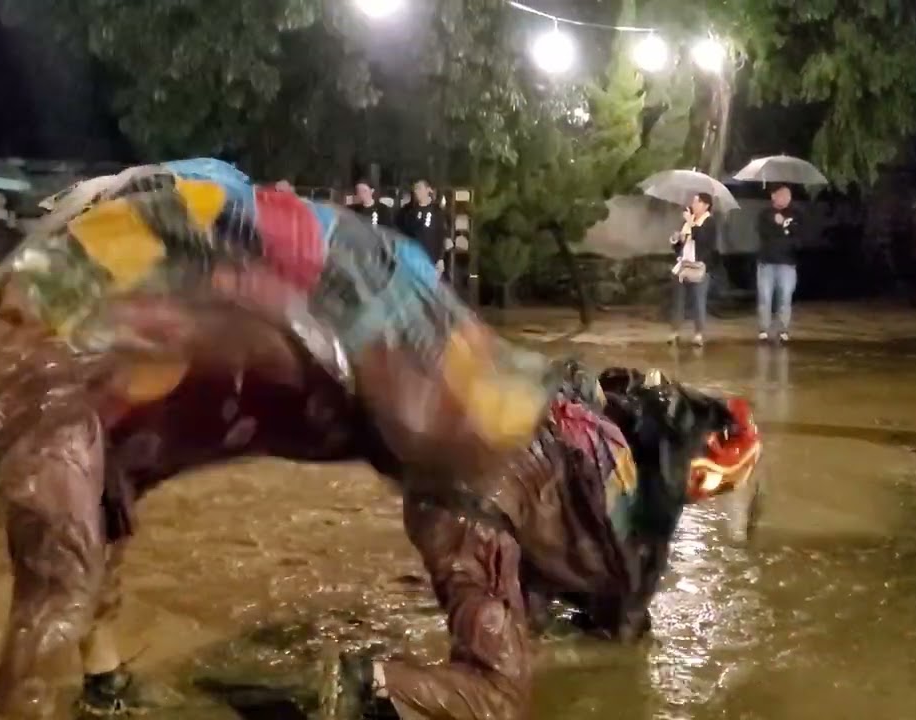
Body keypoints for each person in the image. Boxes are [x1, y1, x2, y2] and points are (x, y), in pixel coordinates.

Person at [323, 363, 762, 720]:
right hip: (474, 511)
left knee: (521, 619)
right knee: (498, 700)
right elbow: (623, 629)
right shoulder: (637, 519)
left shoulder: (594, 427)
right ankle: (364, 681)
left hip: (445, 487)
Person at [669, 192, 717, 347]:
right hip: (684, 264)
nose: (693, 205)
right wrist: (677, 240)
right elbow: (681, 246)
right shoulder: (688, 221)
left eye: (697, 202)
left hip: (699, 267)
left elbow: (702, 240)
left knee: (698, 301)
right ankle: (675, 331)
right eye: (694, 202)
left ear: (706, 205)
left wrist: (691, 223)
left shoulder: (709, 222)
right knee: (678, 301)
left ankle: (698, 334)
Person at [755, 184, 801, 343]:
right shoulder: (764, 214)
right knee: (765, 297)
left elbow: (798, 237)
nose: (786, 198)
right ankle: (764, 329)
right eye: (782, 194)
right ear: (773, 196)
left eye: (788, 195)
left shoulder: (795, 215)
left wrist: (783, 225)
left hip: (787, 263)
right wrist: (778, 226)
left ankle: (782, 330)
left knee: (785, 297)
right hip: (766, 262)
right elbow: (763, 233)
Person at [396, 179, 449, 274]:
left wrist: (441, 258)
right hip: (412, 258)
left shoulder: (437, 211)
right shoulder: (409, 211)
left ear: (428, 190)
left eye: (419, 188)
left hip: (431, 259)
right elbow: (402, 232)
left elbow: (442, 234)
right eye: (415, 189)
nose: (417, 191)